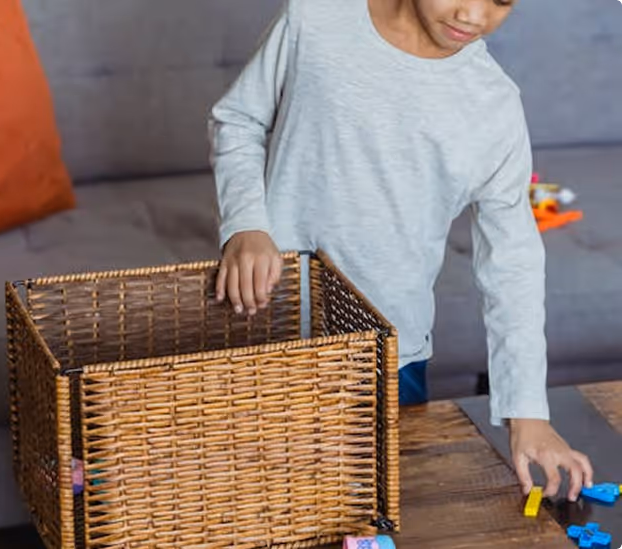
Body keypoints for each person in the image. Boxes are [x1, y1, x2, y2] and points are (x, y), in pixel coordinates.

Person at [208, 0, 593, 502]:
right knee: (244, 500)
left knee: (380, 511)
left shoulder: (494, 105)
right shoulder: (316, 18)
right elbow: (237, 120)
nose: (474, 16)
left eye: (501, 1)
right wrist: (245, 226)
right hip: (261, 329)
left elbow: (512, 265)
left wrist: (529, 415)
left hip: (390, 356)